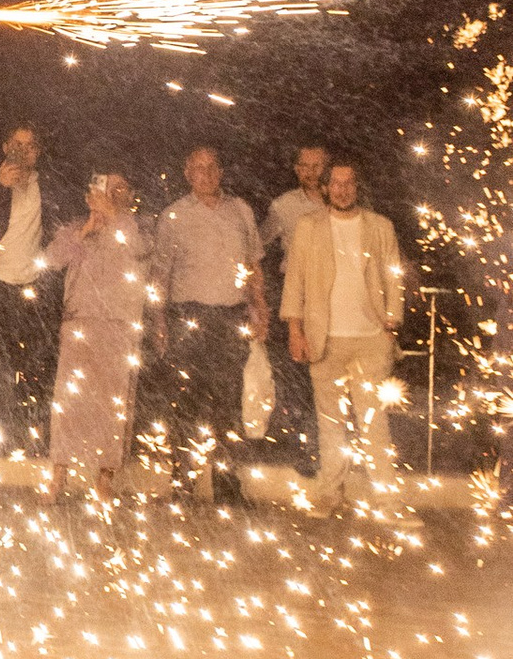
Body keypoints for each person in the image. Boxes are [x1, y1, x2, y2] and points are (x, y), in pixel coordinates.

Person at [282, 157, 410, 502]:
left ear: (357, 186)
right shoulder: (308, 226)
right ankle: (329, 491)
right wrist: (296, 329)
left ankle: (387, 499)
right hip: (326, 339)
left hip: (370, 340)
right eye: (335, 183)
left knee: (375, 423)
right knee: (330, 422)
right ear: (325, 187)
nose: (342, 190)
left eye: (349, 183)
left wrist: (390, 326)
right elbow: (296, 281)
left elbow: (393, 278)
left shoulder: (380, 226)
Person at [154, 145, 267, 507]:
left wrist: (259, 307)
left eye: (212, 167)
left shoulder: (241, 211)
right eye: (198, 169)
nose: (206, 174)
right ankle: (183, 485)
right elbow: (160, 275)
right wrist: (158, 321)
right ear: (188, 174)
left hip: (230, 317)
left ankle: (227, 486)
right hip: (188, 317)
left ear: (221, 171)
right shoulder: (173, 215)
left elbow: (253, 266)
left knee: (229, 404)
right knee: (185, 404)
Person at [44, 174, 158, 493]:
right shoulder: (79, 227)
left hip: (120, 324)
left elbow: (138, 249)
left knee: (113, 404)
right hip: (79, 321)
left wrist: (115, 216)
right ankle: (58, 475)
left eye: (120, 189)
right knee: (69, 401)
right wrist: (84, 231)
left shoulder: (140, 226)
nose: (112, 194)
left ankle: (104, 480)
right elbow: (51, 260)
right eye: (106, 189)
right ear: (90, 194)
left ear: (131, 194)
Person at [0, 125, 67, 451]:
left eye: (30, 146)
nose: (23, 151)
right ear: (5, 147)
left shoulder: (49, 187)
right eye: (17, 144)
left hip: (36, 287)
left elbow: (61, 228)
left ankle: (35, 437)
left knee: (38, 365)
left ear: (38, 152)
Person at [262, 145, 330, 472]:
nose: (310, 172)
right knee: (297, 373)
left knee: (329, 371)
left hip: (334, 295)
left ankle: (331, 446)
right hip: (296, 294)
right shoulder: (284, 206)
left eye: (317, 166)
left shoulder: (344, 202)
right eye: (304, 165)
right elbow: (257, 243)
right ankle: (305, 446)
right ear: (296, 168)